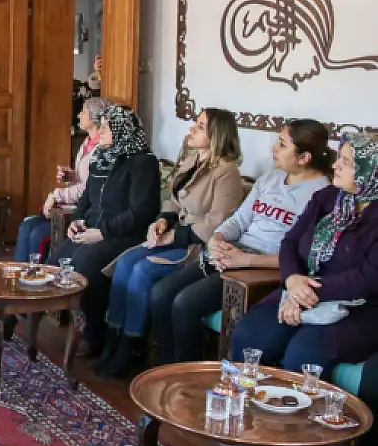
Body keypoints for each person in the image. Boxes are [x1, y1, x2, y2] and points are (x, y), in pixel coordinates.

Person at [149, 120, 332, 363]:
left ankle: (186, 375)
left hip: (262, 269)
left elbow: (302, 256)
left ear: (304, 157)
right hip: (233, 254)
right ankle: (165, 366)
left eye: (281, 144)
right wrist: (218, 238)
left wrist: (244, 259)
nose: (273, 149)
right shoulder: (271, 179)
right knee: (161, 293)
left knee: (185, 304)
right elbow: (238, 220)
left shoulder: (322, 195)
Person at [95, 108, 245, 377]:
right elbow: (175, 201)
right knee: (126, 262)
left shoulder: (227, 173)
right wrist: (163, 220)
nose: (192, 129)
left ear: (217, 135)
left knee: (142, 270)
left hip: (196, 246)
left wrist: (173, 235)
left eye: (200, 126)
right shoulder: (192, 161)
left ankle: (131, 344)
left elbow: (216, 224)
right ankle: (113, 337)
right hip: (176, 235)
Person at [230, 133, 378, 375]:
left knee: (302, 355)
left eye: (347, 162)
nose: (335, 165)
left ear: (372, 171)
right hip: (300, 289)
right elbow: (289, 242)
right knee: (252, 333)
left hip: (357, 306)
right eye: (338, 157)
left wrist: (305, 292)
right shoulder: (327, 198)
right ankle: (247, 405)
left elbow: (367, 278)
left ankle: (294, 412)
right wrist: (292, 280)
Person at [49, 105, 160, 356]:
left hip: (123, 234)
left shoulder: (143, 163)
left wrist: (102, 232)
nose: (102, 131)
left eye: (108, 126)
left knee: (88, 265)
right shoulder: (101, 157)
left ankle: (93, 334)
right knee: (57, 262)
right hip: (92, 228)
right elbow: (86, 199)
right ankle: (20, 314)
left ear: (123, 129)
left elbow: (141, 213)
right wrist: (77, 221)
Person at [15, 97, 106, 262]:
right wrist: (71, 176)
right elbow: (83, 179)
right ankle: (19, 276)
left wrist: (56, 195)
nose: (78, 115)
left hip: (84, 211)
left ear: (94, 118)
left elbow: (89, 188)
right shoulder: (87, 142)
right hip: (74, 204)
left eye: (83, 111)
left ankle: (38, 278)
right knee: (27, 226)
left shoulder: (102, 149)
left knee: (38, 234)